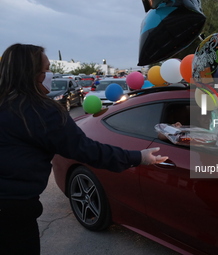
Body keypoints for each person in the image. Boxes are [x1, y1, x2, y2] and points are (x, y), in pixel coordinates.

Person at [0, 43, 168, 255]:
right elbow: (87, 150)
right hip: (14, 213)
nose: (50, 75)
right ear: (33, 75)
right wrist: (138, 157)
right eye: (46, 70)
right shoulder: (43, 112)